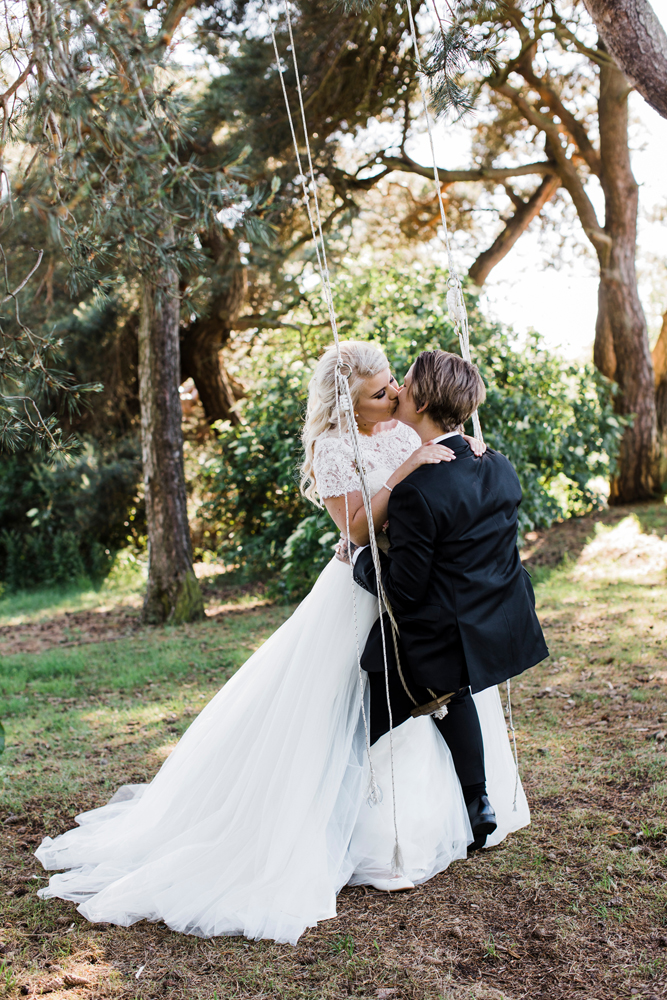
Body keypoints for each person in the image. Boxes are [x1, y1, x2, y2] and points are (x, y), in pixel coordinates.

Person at [35, 341, 530, 945]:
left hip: (420, 589)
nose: (395, 393)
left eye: (394, 383)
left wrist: (462, 448)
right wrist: (403, 477)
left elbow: (449, 474)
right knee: (351, 702)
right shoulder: (334, 447)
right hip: (364, 579)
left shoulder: (405, 426)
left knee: (437, 690)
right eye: (379, 392)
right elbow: (352, 526)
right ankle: (328, 821)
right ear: (346, 405)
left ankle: (456, 810)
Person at [353, 349, 549, 852]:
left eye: (406, 383)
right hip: (490, 628)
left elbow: (405, 590)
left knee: (356, 715)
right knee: (439, 696)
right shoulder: (497, 464)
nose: (398, 389)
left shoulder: (417, 491)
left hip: (434, 642)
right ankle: (477, 800)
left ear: (421, 400)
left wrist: (363, 564)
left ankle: (324, 807)